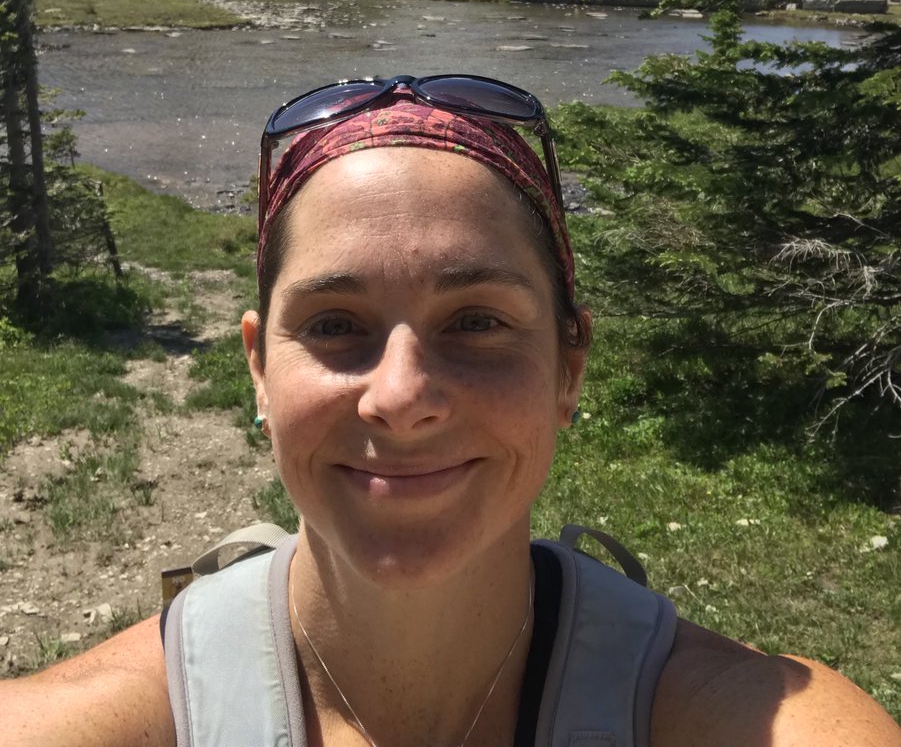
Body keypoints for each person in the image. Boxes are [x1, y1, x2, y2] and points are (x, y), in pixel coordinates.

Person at [1, 73, 898, 747]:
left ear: (568, 367)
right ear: (259, 372)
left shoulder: (745, 720)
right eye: (335, 324)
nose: (399, 397)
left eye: (475, 322)